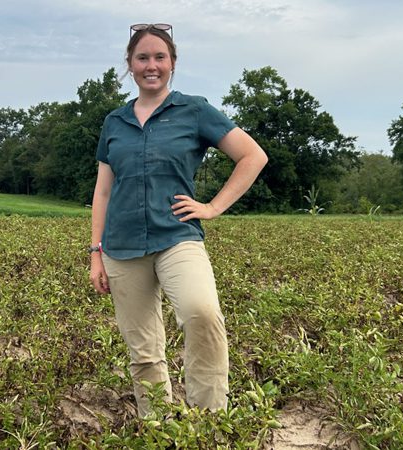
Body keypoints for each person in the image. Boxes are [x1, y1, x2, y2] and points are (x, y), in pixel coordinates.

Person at [89, 23, 268, 417]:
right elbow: (103, 192)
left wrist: (213, 206)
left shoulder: (194, 110)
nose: (151, 65)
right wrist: (95, 253)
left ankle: (207, 420)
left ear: (172, 63)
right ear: (130, 64)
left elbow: (252, 156)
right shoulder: (114, 122)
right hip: (121, 246)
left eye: (159, 57)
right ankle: (160, 425)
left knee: (201, 313)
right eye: (142, 58)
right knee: (143, 347)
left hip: (177, 237)